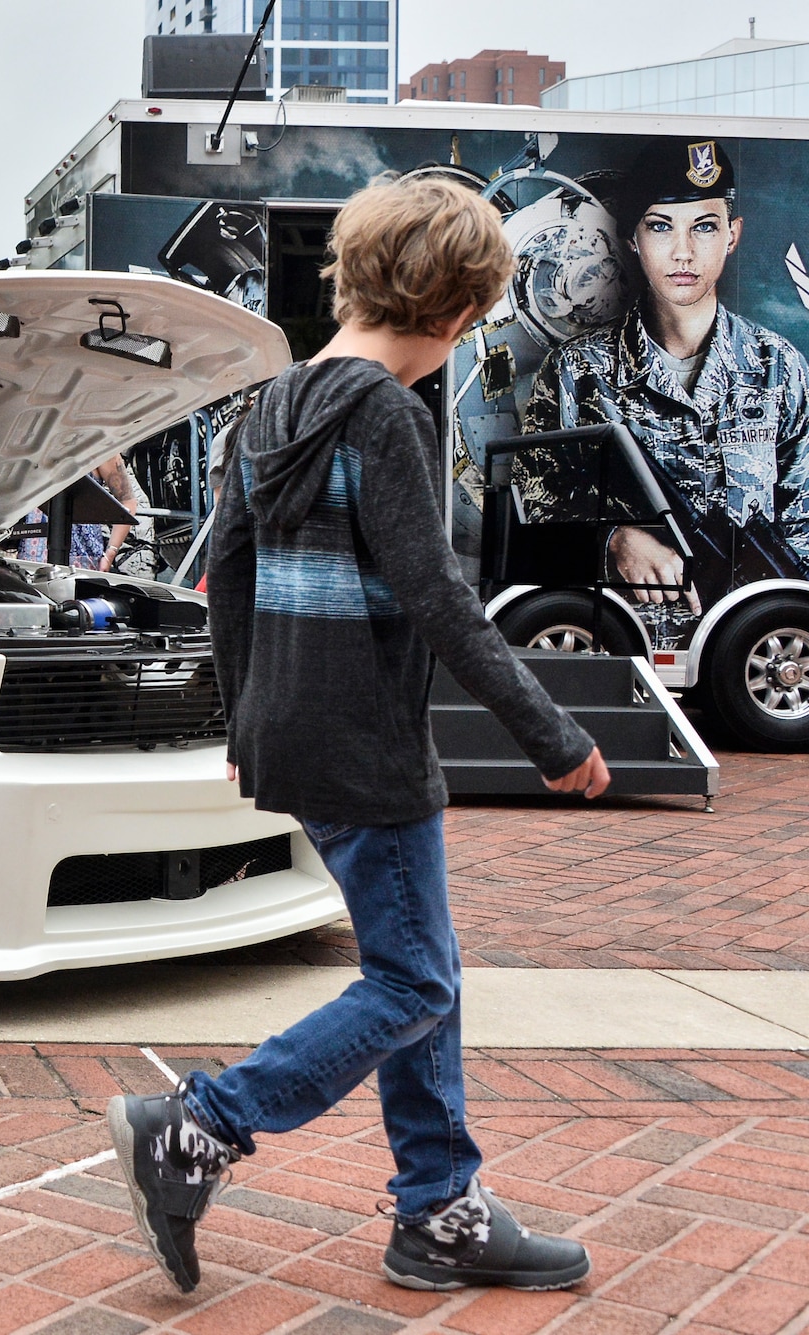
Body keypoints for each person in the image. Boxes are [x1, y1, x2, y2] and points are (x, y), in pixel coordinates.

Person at [106, 176, 612, 1296]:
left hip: (291, 723)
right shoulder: (385, 411)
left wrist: (244, 714)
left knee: (418, 966)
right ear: (454, 307)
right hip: (365, 738)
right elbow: (436, 594)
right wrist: (550, 732)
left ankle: (438, 1213)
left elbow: (222, 571)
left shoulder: (275, 401)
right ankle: (199, 1125)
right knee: (413, 984)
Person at [520, 138, 809, 644]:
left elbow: (804, 519)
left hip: (756, 659)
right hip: (612, 646)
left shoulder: (777, 369)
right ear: (632, 238)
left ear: (733, 235)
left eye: (704, 226)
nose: (683, 252)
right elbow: (531, 515)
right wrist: (613, 540)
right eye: (660, 226)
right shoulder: (579, 373)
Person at [16, 457, 141, 571]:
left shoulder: (99, 444)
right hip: (30, 557)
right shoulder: (37, 442)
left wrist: (110, 553)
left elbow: (128, 502)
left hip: (82, 560)